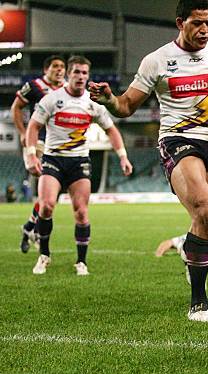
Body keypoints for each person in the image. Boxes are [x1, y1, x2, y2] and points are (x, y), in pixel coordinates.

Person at [88, 0, 208, 323]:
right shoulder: (157, 61)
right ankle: (199, 304)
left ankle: (189, 247)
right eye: (197, 24)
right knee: (204, 207)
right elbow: (127, 106)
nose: (204, 30)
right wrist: (109, 100)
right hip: (176, 141)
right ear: (180, 23)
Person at [25, 55, 133, 276]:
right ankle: (44, 255)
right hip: (53, 159)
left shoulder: (93, 103)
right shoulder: (52, 99)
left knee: (82, 213)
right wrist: (31, 155)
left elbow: (111, 130)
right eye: (76, 72)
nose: (81, 76)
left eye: (85, 73)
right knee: (45, 206)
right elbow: (33, 126)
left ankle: (81, 261)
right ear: (68, 74)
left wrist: (123, 156)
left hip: (79, 161)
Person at [11, 55, 66, 253]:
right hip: (40, 141)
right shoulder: (34, 86)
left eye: (62, 67)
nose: (59, 70)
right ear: (46, 69)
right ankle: (31, 230)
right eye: (55, 66)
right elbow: (16, 106)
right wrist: (22, 132)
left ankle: (28, 228)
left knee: (52, 194)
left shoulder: (67, 88)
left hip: (61, 144)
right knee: (46, 185)